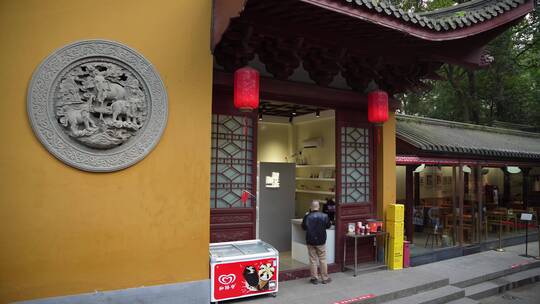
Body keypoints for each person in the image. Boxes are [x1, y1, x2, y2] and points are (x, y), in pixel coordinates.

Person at [302, 200, 332, 284]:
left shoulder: (307, 216)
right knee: (322, 259)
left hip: (310, 240)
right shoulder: (324, 216)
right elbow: (328, 226)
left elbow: (303, 227)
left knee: (313, 259)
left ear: (311, 207)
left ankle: (314, 278)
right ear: (318, 207)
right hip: (321, 240)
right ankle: (325, 278)